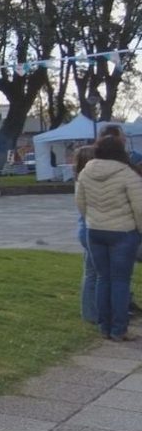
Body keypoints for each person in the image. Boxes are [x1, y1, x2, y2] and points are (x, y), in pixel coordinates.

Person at [76, 135, 142, 341]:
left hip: (95, 230)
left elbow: (80, 202)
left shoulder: (86, 172)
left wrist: (92, 219)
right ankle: (119, 329)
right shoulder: (128, 174)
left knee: (103, 279)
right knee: (120, 281)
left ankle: (104, 327)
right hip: (123, 231)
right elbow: (139, 207)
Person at [74, 145, 99, 324]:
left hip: (86, 227)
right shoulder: (87, 181)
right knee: (93, 274)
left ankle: (92, 311)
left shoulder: (81, 179)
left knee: (92, 272)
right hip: (90, 228)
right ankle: (90, 313)